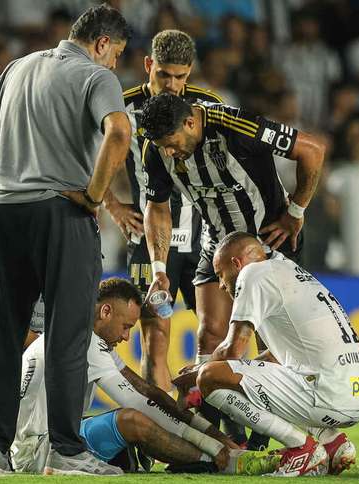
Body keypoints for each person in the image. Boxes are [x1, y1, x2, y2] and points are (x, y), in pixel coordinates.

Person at [0, 4, 132, 475]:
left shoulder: (18, 68)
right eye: (116, 54)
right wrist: (94, 197)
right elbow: (119, 134)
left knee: (4, 338)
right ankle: (67, 451)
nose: (114, 64)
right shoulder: (96, 77)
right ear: (102, 44)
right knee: (68, 338)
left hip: (5, 214)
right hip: (61, 212)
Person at [136, 92, 326, 375]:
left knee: (272, 345)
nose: (169, 153)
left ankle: (274, 418)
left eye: (172, 145)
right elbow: (158, 208)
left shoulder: (236, 125)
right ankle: (215, 420)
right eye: (163, 147)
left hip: (268, 242)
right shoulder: (156, 150)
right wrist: (159, 268)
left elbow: (312, 150)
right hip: (218, 245)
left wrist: (295, 212)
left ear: (190, 123)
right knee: (211, 336)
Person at [11, 278, 278, 476]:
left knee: (138, 415)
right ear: (105, 312)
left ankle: (217, 455)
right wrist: (213, 445)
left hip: (51, 439)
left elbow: (146, 390)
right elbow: (137, 404)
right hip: (39, 452)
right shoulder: (86, 342)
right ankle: (224, 462)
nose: (127, 336)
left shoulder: (84, 335)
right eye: (126, 326)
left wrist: (206, 428)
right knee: (132, 420)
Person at [182, 232, 359, 477]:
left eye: (220, 275)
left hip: (331, 393)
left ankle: (300, 447)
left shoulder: (253, 274)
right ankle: (331, 442)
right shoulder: (291, 272)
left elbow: (233, 350)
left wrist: (198, 372)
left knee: (211, 376)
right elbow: (274, 360)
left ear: (236, 264)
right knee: (264, 376)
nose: (221, 285)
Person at [104, 29, 222, 395]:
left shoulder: (207, 107)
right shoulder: (121, 107)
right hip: (150, 238)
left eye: (180, 76)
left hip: (203, 238)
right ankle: (167, 439)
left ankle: (219, 439)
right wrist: (113, 206)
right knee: (155, 340)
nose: (172, 84)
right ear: (148, 65)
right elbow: (84, 159)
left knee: (216, 335)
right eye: (164, 75)